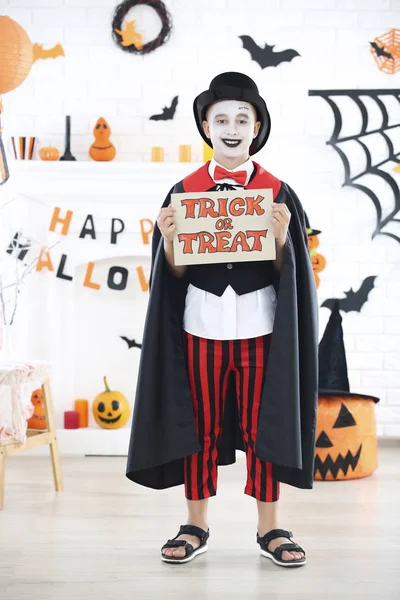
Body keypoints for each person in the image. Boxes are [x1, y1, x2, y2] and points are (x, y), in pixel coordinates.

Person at [126, 72, 318, 568]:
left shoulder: (278, 192)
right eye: (221, 119)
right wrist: (170, 241)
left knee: (265, 428)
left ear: (256, 128)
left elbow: (290, 273)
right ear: (206, 127)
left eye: (242, 118)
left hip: (262, 331)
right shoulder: (183, 191)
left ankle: (271, 528)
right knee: (199, 428)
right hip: (200, 328)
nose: (231, 127)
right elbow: (174, 273)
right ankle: (196, 523)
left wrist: (279, 240)